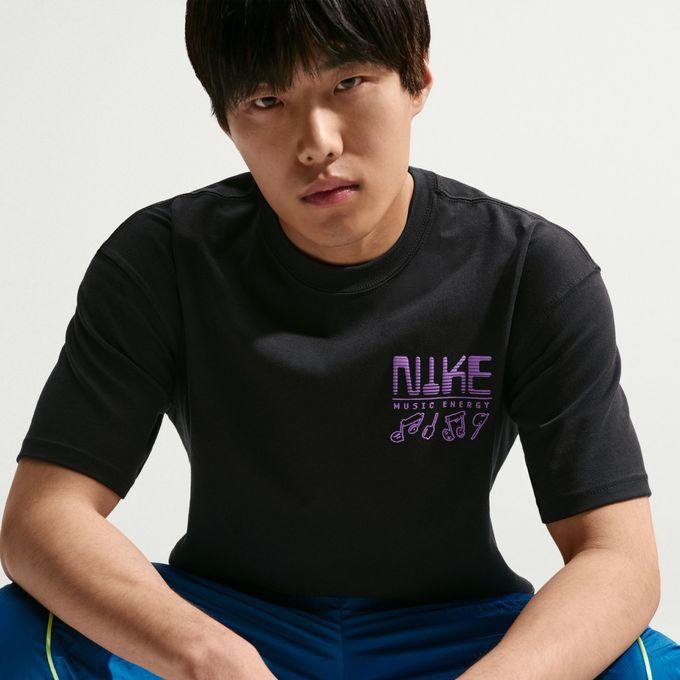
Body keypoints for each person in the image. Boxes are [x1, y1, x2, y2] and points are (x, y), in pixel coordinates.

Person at [1, 1, 679, 678]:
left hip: (458, 636)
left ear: (417, 80)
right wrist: (205, 657)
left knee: (645, 665)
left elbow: (617, 555)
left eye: (348, 82)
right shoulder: (164, 260)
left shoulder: (529, 268)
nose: (317, 143)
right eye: (266, 100)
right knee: (20, 630)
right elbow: (44, 515)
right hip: (227, 622)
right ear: (225, 120)